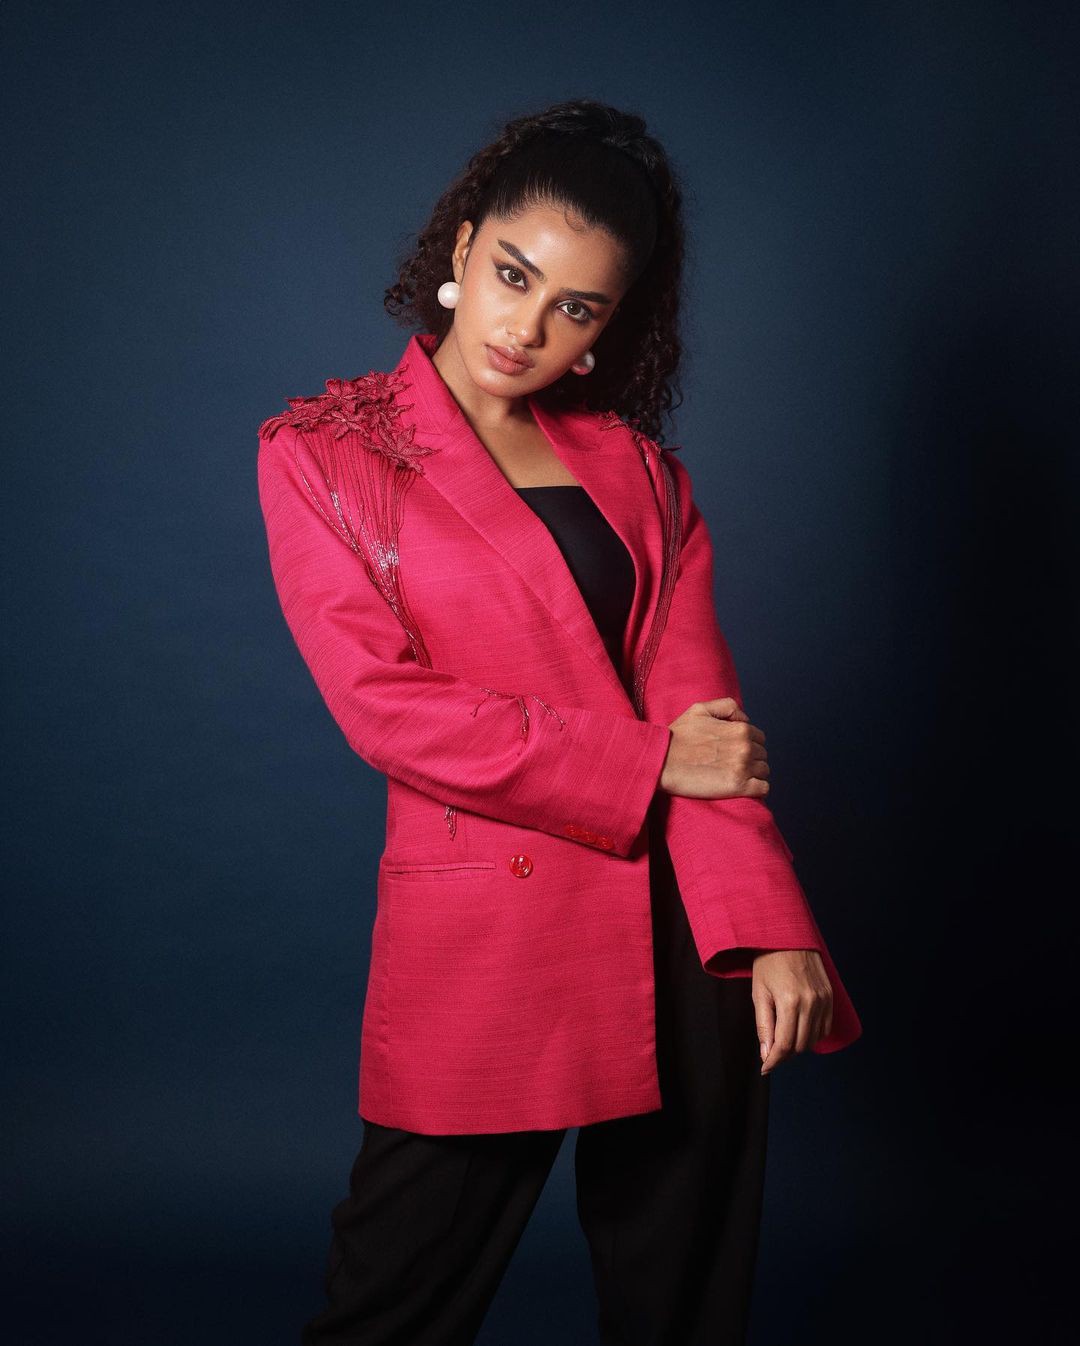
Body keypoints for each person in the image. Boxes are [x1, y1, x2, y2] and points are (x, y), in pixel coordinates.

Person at [257, 97, 862, 1346]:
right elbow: (388, 708)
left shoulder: (642, 474)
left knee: (684, 1309)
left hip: (686, 933)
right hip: (492, 933)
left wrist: (771, 931)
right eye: (514, 275)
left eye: (575, 307)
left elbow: (709, 726)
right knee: (390, 1308)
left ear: (609, 324)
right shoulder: (323, 453)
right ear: (462, 248)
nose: (526, 328)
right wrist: (652, 759)